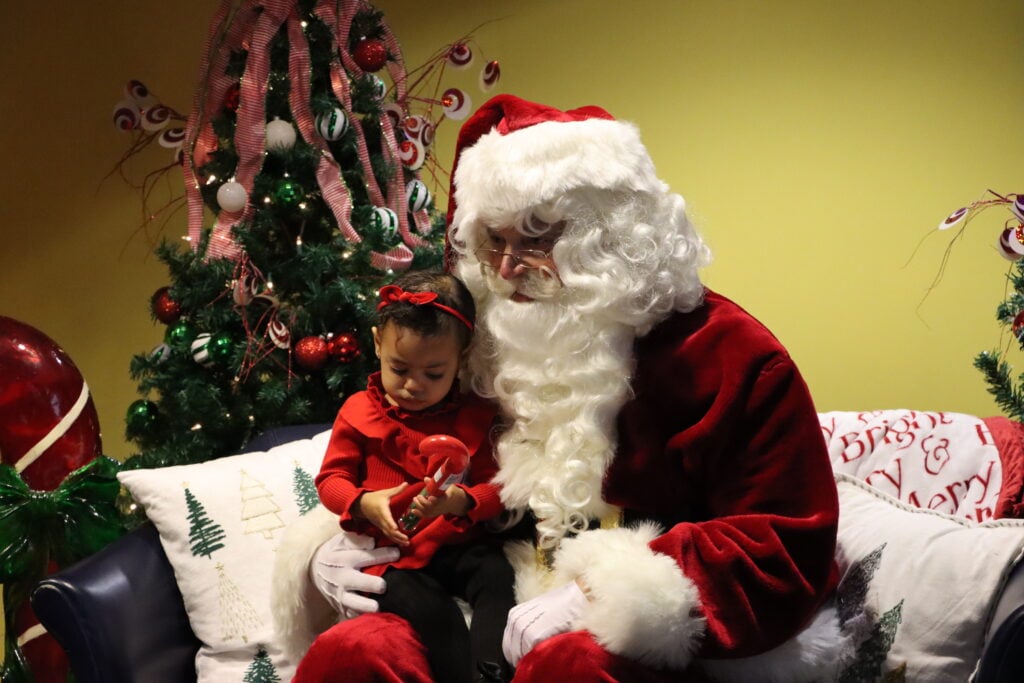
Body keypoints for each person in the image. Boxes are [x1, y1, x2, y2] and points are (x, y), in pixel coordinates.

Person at [273, 95, 846, 682]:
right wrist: (327, 551)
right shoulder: (485, 347)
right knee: (355, 651)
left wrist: (601, 592)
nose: (508, 267)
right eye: (492, 240)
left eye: (539, 236)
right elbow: (399, 461)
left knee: (569, 668)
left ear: (615, 235)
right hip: (482, 595)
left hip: (656, 641)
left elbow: (782, 543)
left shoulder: (728, 355)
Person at [308, 270, 515, 683]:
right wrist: (365, 502)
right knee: (429, 610)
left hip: (458, 545)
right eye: (398, 368)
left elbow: (501, 490)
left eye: (433, 374)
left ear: (463, 357)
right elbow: (331, 480)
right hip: (391, 555)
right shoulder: (357, 412)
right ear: (376, 344)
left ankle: (491, 670)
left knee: (496, 575)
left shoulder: (475, 415)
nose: (412, 385)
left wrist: (461, 501)